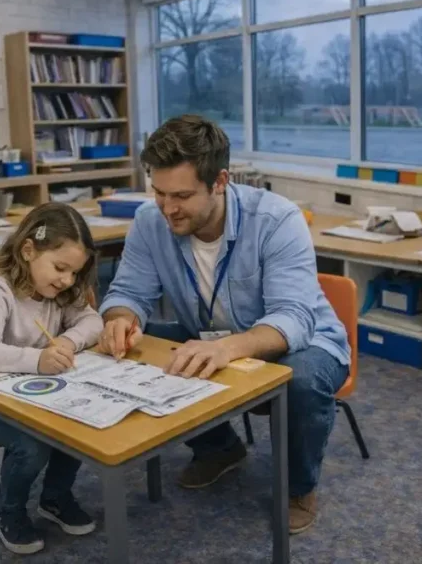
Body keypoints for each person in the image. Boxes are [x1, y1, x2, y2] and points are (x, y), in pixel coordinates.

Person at [96, 115, 351, 535]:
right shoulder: (149, 220)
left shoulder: (276, 219)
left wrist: (227, 348)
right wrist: (120, 320)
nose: (167, 207)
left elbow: (293, 317)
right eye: (158, 192)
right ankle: (219, 448)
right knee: (144, 349)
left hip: (304, 342)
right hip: (210, 335)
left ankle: (299, 487)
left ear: (219, 182)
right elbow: (128, 292)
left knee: (301, 380)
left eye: (180, 195)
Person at [0, 202, 103, 555]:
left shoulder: (61, 290)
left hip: (34, 391)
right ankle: (8, 510)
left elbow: (93, 322)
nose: (67, 280)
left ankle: (54, 497)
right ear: (28, 250)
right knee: (32, 444)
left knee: (79, 422)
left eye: (75, 273)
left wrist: (67, 339)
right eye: (61, 267)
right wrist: (38, 359)